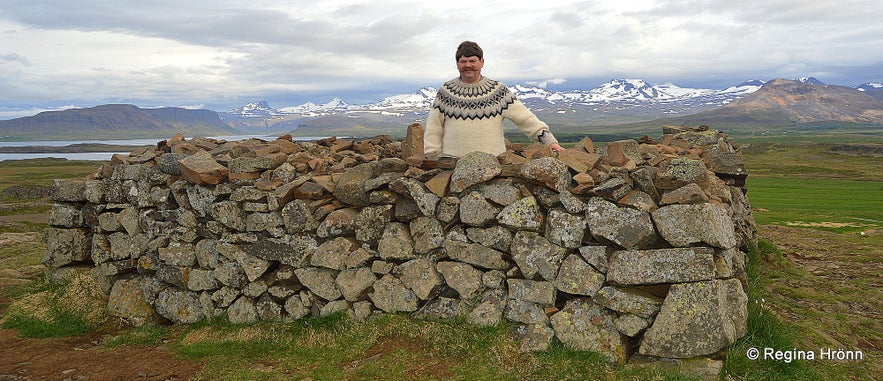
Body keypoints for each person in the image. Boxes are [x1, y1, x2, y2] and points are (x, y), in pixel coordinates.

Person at [424, 41, 564, 158]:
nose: (468, 65)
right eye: (463, 61)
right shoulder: (446, 91)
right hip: (452, 166)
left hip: (492, 167)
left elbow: (526, 119)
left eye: (472, 61)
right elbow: (434, 127)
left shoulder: (498, 91)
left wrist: (549, 141)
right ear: (457, 64)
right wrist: (431, 156)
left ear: (482, 62)